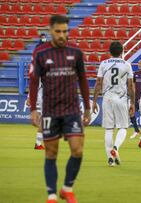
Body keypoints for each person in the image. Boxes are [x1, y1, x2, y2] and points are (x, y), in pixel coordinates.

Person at [29, 15, 91, 203]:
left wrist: (87, 107)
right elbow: (33, 82)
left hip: (72, 110)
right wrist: (33, 109)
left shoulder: (76, 52)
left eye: (65, 31)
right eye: (58, 32)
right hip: (50, 111)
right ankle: (52, 195)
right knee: (51, 153)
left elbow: (82, 79)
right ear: (50, 31)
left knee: (78, 150)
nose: (62, 35)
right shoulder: (40, 53)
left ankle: (67, 188)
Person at [92, 41, 135, 166]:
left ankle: (110, 159)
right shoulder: (127, 65)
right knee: (123, 127)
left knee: (109, 129)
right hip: (121, 98)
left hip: (107, 98)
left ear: (109, 52)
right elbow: (130, 85)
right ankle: (115, 148)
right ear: (121, 52)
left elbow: (98, 83)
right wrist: (132, 102)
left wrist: (94, 101)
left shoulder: (104, 64)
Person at [129, 58, 141, 139]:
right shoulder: (135, 74)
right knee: (131, 113)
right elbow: (133, 86)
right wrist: (133, 98)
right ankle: (136, 130)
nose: (139, 65)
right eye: (139, 63)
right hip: (136, 98)